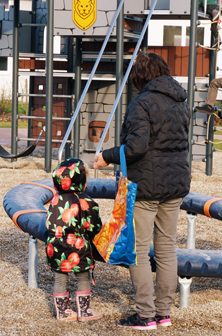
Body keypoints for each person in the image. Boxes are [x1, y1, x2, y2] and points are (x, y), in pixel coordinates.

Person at [94, 52, 191, 330]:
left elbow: (136, 147)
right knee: (166, 249)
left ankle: (145, 315)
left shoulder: (142, 103)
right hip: (175, 185)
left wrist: (107, 155)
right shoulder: (181, 101)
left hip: (146, 187)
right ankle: (164, 313)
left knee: (137, 249)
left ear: (140, 77)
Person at [46, 158, 103, 322]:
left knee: (60, 277)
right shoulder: (85, 201)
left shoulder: (55, 199)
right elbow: (94, 226)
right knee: (83, 276)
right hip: (77, 246)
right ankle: (84, 312)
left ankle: (62, 313)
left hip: (54, 245)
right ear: (82, 180)